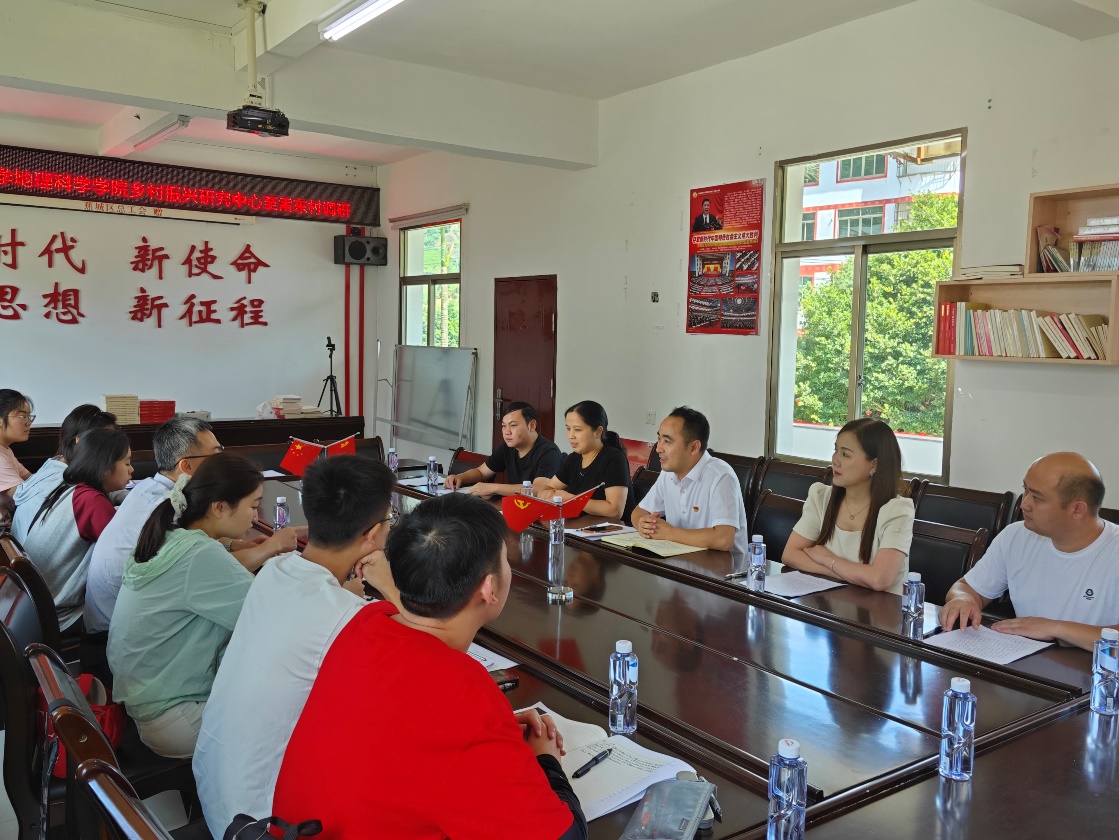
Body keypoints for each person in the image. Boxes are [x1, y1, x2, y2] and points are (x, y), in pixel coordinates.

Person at [272, 493, 587, 839]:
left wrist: (496, 742)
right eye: (505, 561)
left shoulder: (365, 624)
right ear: (489, 588)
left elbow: (405, 737)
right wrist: (546, 761)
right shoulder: (465, 696)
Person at [194, 455, 396, 838]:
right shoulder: (348, 616)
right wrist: (388, 586)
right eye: (389, 521)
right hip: (261, 822)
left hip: (215, 786)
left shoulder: (275, 570)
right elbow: (426, 658)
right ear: (372, 534)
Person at [85, 417, 304, 635]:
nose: (222, 462)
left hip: (124, 625)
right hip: (112, 631)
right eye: (215, 456)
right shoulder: (163, 507)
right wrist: (269, 548)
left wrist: (231, 545)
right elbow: (208, 570)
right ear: (186, 466)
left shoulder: (151, 489)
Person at [107, 452, 261, 758]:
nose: (256, 518)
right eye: (253, 506)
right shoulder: (199, 553)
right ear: (219, 507)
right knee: (297, 708)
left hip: (149, 705)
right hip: (177, 719)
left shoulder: (172, 535)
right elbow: (267, 619)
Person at [940, 452, 1119, 651]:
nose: (1024, 504)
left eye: (1037, 497)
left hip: (1095, 667)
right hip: (1025, 660)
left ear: (1077, 509)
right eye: (1025, 490)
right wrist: (963, 599)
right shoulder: (1016, 536)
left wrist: (1054, 628)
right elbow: (966, 587)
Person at [782, 418, 914, 594]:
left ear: (874, 465)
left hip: (879, 609)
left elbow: (879, 579)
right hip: (831, 603)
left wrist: (829, 560)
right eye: (835, 450)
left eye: (845, 454)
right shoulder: (821, 497)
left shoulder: (897, 511)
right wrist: (844, 573)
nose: (835, 460)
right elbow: (790, 554)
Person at [19, 428, 133, 629]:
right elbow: (127, 555)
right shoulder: (91, 501)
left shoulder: (71, 486)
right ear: (105, 468)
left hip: (31, 607)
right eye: (127, 463)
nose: (131, 470)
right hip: (59, 616)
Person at [631, 407, 749, 557]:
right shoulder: (668, 473)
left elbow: (723, 539)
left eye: (667, 441)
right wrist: (643, 524)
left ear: (694, 447)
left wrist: (669, 533)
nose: (658, 448)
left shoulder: (721, 477)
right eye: (659, 439)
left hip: (722, 567)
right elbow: (638, 512)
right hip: (680, 561)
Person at [13, 404, 117, 541]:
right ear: (80, 442)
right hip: (35, 553)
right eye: (106, 443)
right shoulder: (69, 483)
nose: (113, 450)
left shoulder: (54, 464)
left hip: (22, 549)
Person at [534, 400, 632, 520]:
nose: (571, 436)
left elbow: (614, 511)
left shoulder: (614, 459)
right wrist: (546, 493)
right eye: (568, 428)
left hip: (612, 529)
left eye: (577, 429)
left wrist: (571, 499)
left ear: (598, 432)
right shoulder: (573, 458)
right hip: (578, 525)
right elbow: (547, 488)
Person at [445, 401, 562, 497]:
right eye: (504, 426)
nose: (507, 432)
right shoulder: (507, 447)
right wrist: (460, 477)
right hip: (515, 505)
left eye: (513, 425)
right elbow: (481, 472)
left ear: (532, 426)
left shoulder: (549, 452)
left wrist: (494, 488)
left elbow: (538, 489)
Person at [0, 389, 33, 501]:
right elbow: (26, 496)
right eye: (23, 417)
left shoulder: (6, 450)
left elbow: (32, 479)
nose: (29, 422)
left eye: (29, 417)